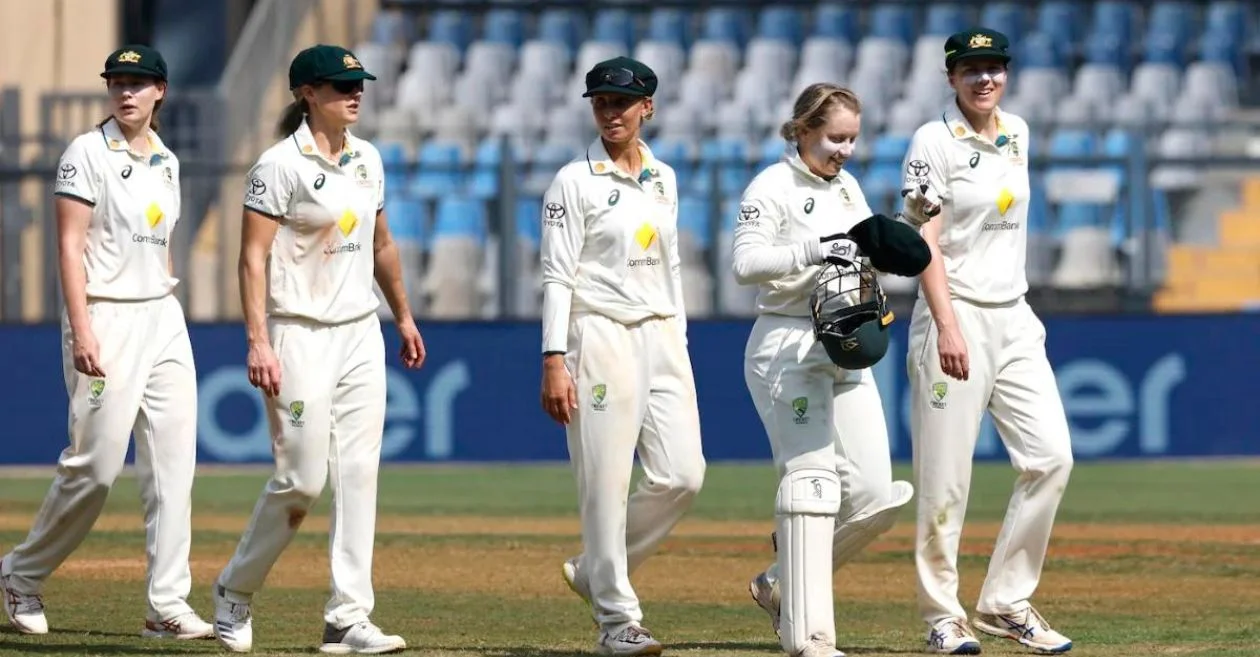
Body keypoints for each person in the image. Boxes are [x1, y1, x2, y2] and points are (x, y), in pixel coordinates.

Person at [210, 44, 424, 655]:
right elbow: (251, 258)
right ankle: (234, 589)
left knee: (359, 474)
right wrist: (258, 340)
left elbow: (382, 246)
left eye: (357, 85)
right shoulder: (278, 165)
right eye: (337, 86)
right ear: (307, 93)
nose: (353, 94)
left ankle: (348, 618)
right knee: (301, 479)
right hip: (296, 331)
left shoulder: (368, 159)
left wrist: (403, 316)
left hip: (360, 331)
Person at [0, 45, 213, 641]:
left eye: (139, 83)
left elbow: (161, 243)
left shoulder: (168, 160)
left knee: (174, 467)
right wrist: (82, 327)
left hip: (162, 317)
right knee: (95, 465)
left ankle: (166, 605)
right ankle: (22, 572)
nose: (126, 92)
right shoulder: (86, 153)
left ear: (160, 91)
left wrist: (168, 306)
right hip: (105, 316)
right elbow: (69, 247)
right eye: (117, 82)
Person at [734, 83, 930, 657]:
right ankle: (809, 639)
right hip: (786, 344)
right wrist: (816, 249)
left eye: (852, 139)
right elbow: (746, 262)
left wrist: (907, 223)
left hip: (844, 342)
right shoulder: (770, 187)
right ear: (802, 130)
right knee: (811, 485)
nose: (845, 149)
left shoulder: (847, 186)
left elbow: (866, 255)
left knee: (876, 497)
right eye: (834, 138)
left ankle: (778, 582)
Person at [897, 28, 1075, 655]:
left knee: (1051, 458)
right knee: (946, 480)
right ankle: (941, 615)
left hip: (1015, 315)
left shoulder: (1018, 132)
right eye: (971, 69)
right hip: (956, 313)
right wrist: (947, 325)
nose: (984, 79)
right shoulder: (931, 141)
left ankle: (1005, 601)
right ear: (951, 76)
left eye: (994, 68)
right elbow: (925, 241)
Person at [540, 56, 705, 657]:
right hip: (599, 334)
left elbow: (673, 266)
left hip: (661, 335)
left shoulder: (663, 177)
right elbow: (557, 276)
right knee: (605, 483)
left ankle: (594, 568)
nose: (611, 113)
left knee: (684, 475)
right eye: (601, 103)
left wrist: (678, 341)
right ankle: (617, 620)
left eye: (622, 103)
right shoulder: (573, 181)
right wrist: (554, 357)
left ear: (647, 108)